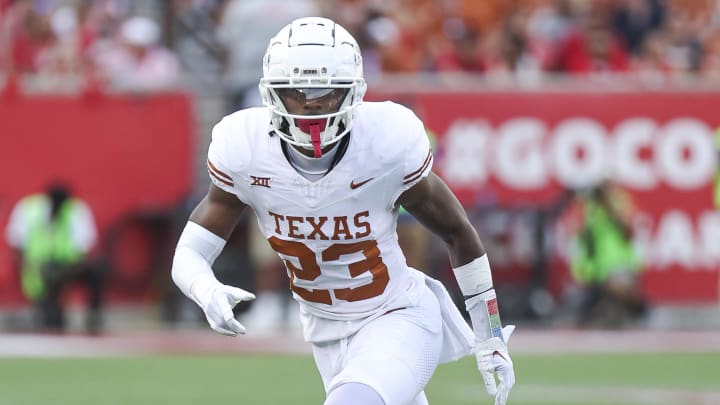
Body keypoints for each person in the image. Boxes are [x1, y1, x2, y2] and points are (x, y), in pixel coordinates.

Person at [172, 17, 515, 405]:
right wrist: (205, 289)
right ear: (271, 94)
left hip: (398, 315)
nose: (312, 103)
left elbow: (457, 231)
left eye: (326, 91)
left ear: (353, 92)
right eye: (296, 91)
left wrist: (491, 334)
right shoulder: (246, 150)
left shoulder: (386, 142)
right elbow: (189, 253)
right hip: (326, 336)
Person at [5, 181, 103, 332]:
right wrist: (29, 267)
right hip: (37, 269)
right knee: (52, 314)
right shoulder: (29, 209)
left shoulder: (75, 211)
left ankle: (94, 320)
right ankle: (51, 317)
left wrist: (67, 271)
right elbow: (17, 244)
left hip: (69, 267)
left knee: (97, 271)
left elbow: (85, 247)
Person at [568, 180, 646, 328]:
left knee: (618, 285)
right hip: (594, 271)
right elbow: (575, 234)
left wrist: (609, 203)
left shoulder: (619, 203)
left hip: (619, 266)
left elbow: (629, 230)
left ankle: (641, 312)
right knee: (577, 305)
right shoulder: (589, 209)